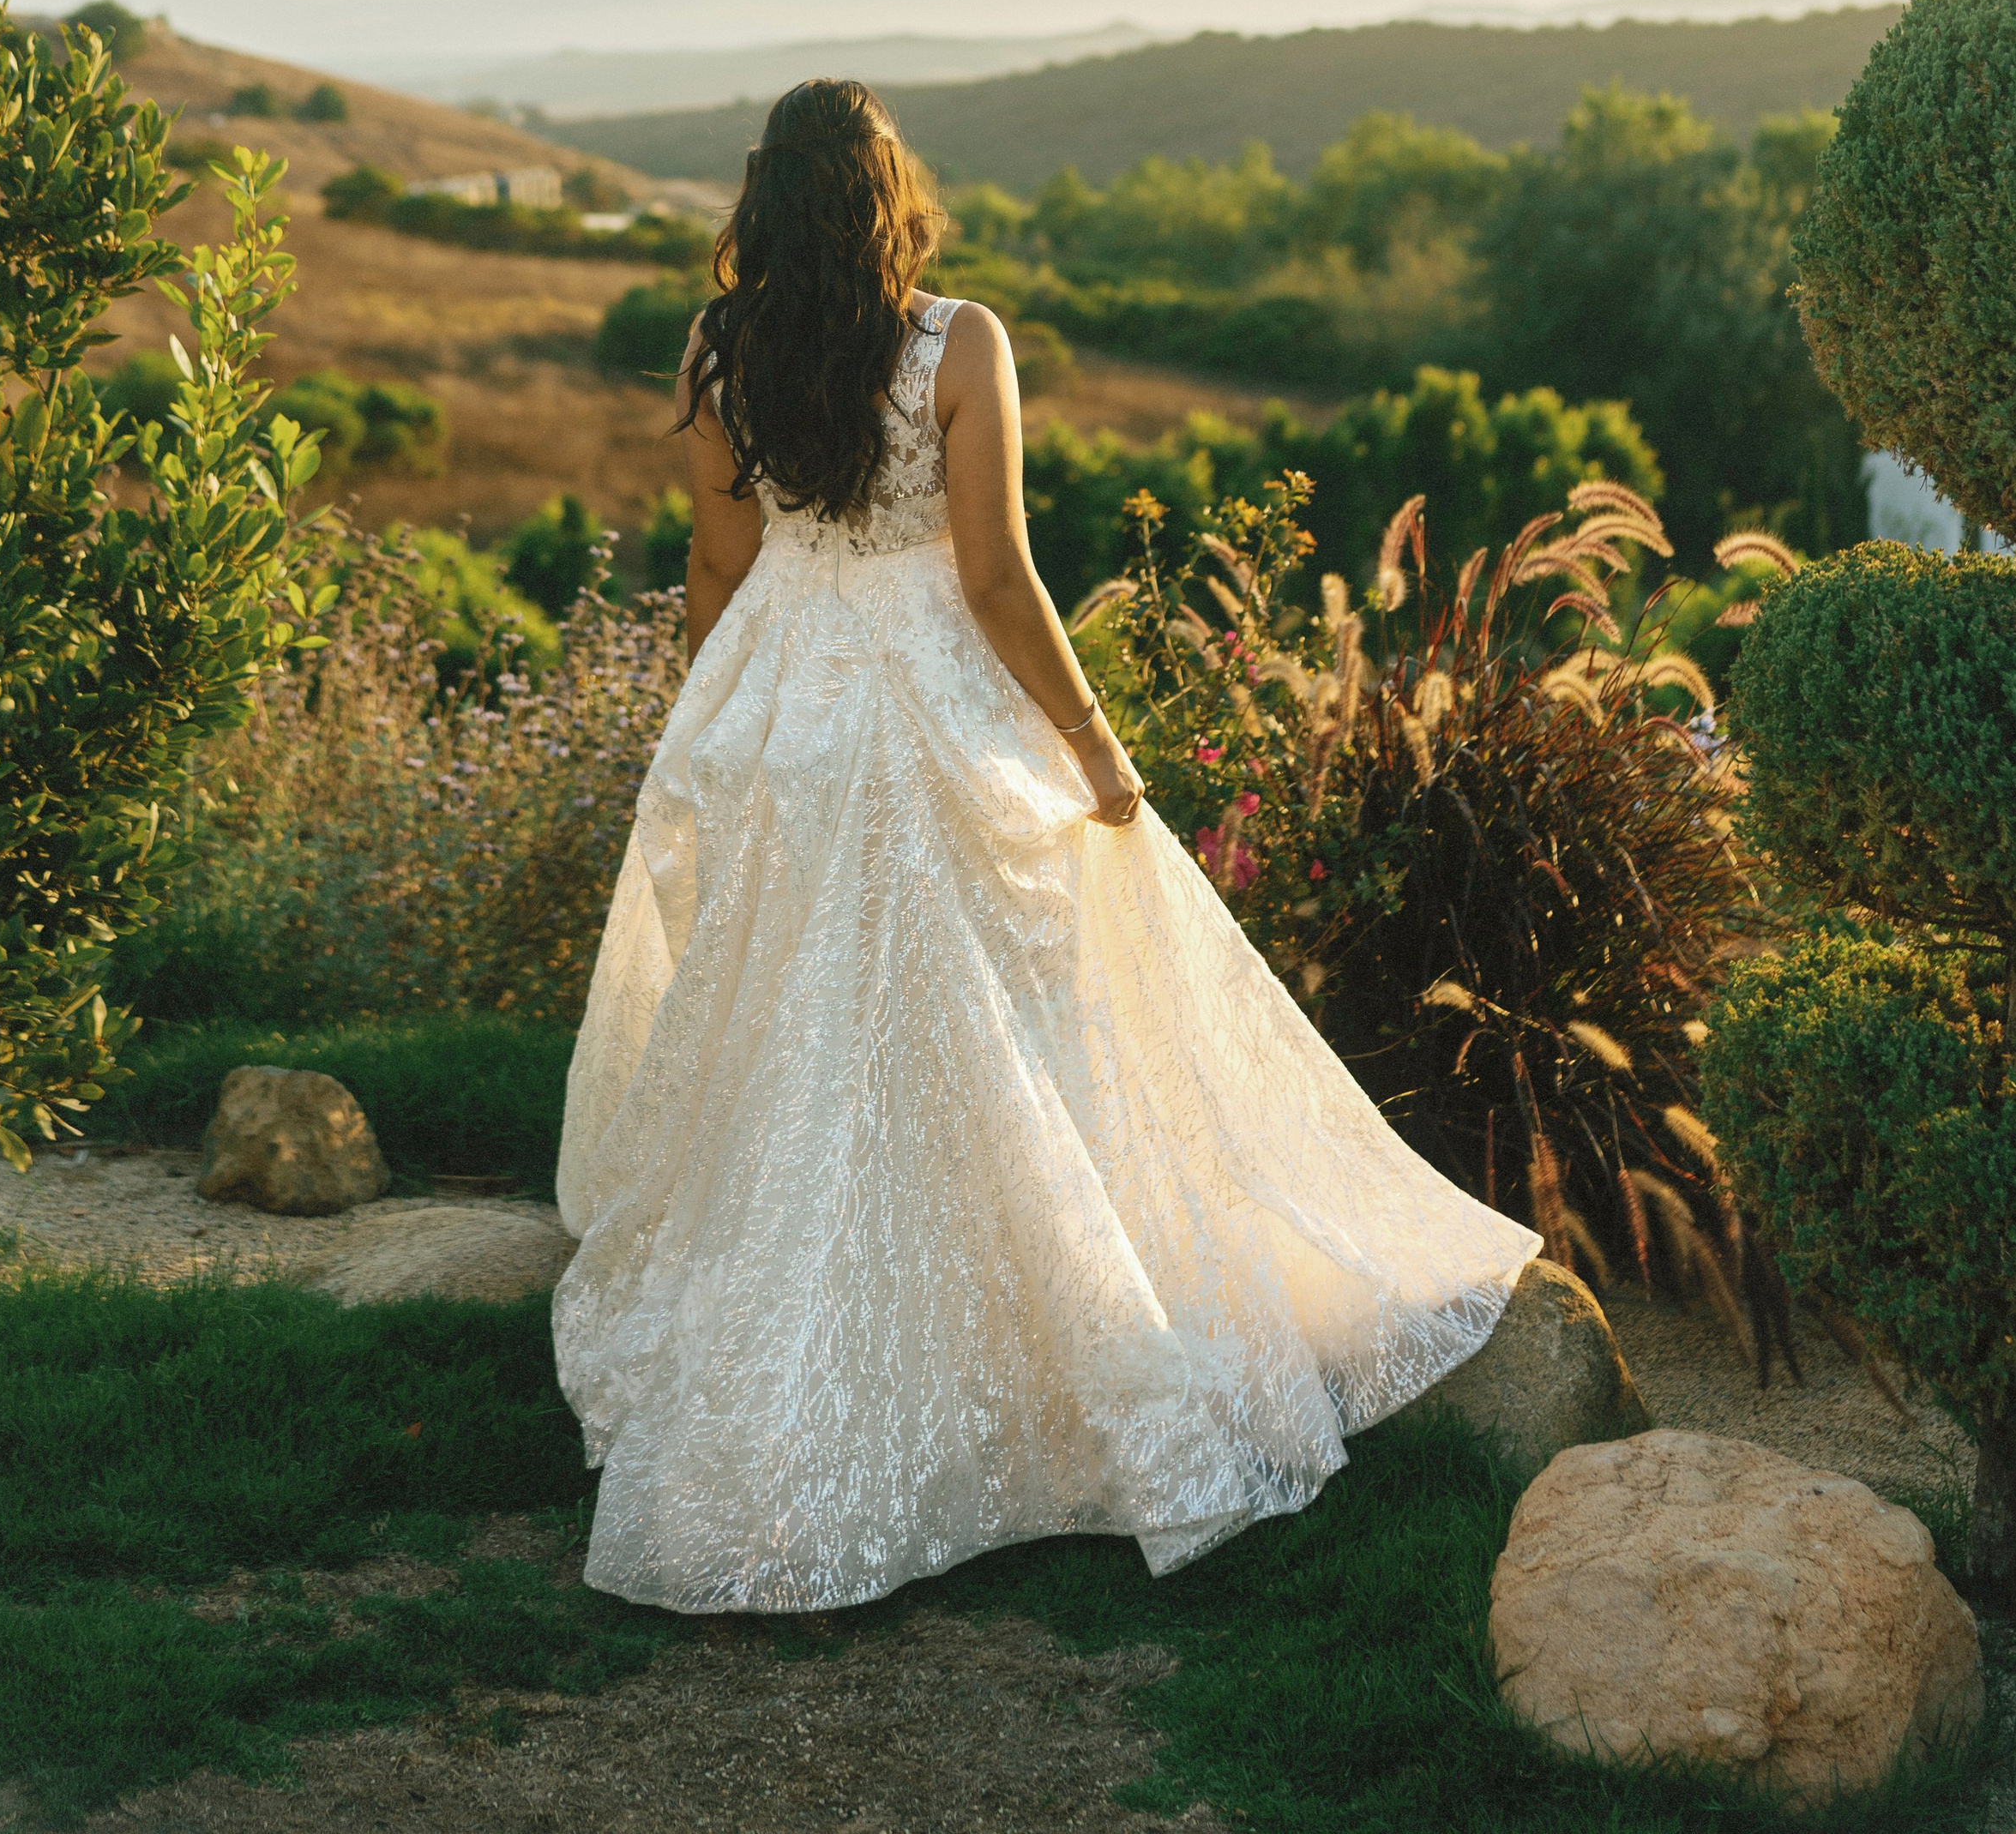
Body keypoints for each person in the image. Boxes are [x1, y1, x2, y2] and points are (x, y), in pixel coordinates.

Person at [554, 79, 1536, 1615]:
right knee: (1009, 1027)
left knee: (799, 1042)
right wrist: (1096, 746)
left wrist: (715, 729)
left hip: (783, 707)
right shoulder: (959, 343)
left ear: (762, 195)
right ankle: (1042, 1357)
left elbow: (720, 558)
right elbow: (1000, 575)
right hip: (922, 702)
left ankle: (802, 1377)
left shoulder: (718, 346)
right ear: (888, 192)